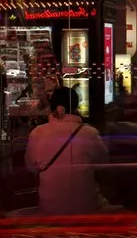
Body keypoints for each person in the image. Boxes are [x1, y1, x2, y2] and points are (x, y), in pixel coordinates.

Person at [23, 87, 111, 215]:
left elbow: (31, 167)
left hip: (50, 208)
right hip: (87, 206)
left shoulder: (37, 133)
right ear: (76, 105)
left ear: (51, 106)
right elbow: (103, 164)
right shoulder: (89, 133)